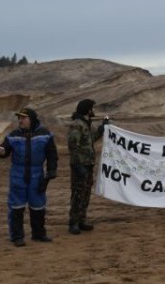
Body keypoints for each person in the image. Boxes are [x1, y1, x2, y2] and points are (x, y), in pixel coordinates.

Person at [0, 107, 58, 247]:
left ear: (32, 119)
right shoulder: (13, 135)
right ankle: (17, 236)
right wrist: (0, 151)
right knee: (16, 206)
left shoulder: (45, 134)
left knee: (38, 206)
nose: (20, 120)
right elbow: (4, 149)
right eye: (19, 118)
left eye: (23, 118)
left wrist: (52, 170)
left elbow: (52, 153)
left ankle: (38, 234)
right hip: (18, 175)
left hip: (37, 175)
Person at [67, 98, 108, 235]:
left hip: (88, 164)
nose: (93, 111)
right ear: (88, 110)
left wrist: (102, 129)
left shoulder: (86, 124)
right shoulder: (77, 125)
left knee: (85, 194)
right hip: (80, 165)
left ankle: (82, 220)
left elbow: (90, 139)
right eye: (92, 108)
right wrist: (77, 165)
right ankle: (74, 222)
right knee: (77, 194)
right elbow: (73, 145)